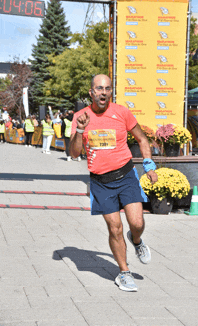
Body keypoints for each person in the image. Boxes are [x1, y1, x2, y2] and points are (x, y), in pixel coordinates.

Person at [70, 74, 158, 292]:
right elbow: (73, 153)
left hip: (127, 176)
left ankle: (136, 241)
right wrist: (80, 130)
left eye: (107, 88)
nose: (103, 92)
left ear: (111, 91)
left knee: (136, 223)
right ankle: (124, 272)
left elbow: (142, 139)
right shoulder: (80, 117)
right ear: (91, 92)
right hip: (101, 181)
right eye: (99, 88)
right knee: (115, 228)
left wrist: (148, 165)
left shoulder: (121, 112)